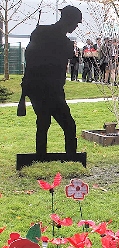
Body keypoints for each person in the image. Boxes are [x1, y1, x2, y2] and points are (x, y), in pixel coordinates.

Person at [19, 5, 82, 156]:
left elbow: (30, 55)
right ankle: (71, 158)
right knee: (68, 125)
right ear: (69, 20)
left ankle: (41, 157)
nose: (76, 26)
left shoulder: (40, 32)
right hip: (49, 88)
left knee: (43, 122)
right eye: (76, 23)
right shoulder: (63, 42)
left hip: (37, 87)